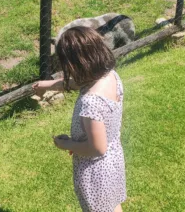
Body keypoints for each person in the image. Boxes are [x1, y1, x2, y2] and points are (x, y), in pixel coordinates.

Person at [33, 26, 126, 212]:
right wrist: (48, 84)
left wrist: (66, 144)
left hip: (96, 172)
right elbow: (76, 83)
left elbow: (97, 148)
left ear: (75, 64)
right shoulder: (109, 76)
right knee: (113, 205)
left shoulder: (91, 101)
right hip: (113, 162)